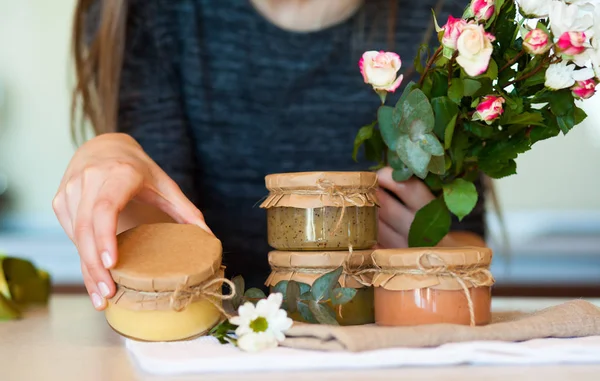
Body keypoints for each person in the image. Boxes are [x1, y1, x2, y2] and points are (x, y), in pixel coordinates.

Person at [54, 0, 486, 310]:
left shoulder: (450, 26)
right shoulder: (146, 12)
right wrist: (111, 158)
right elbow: (155, 263)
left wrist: (438, 253)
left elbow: (469, 241)